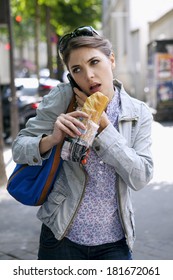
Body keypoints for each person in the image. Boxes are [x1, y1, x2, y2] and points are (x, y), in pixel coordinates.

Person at [12, 26, 153, 260]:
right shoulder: (62, 98)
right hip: (61, 236)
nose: (88, 75)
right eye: (77, 69)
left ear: (112, 60)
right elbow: (19, 148)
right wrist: (52, 139)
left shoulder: (138, 113)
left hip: (114, 243)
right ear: (71, 76)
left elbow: (141, 177)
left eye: (95, 62)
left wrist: (106, 129)